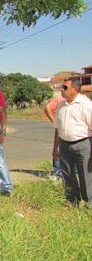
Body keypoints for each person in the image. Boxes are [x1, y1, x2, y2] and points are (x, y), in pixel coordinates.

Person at [52, 77, 92, 208]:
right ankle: (72, 201)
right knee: (67, 175)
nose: (62, 90)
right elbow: (58, 128)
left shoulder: (85, 104)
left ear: (75, 89)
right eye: (62, 88)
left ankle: (89, 203)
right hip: (64, 145)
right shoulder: (62, 105)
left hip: (83, 144)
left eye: (65, 88)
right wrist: (55, 148)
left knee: (86, 175)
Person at [44, 94, 64, 179]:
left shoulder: (81, 98)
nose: (63, 90)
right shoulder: (60, 98)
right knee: (57, 148)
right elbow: (47, 108)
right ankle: (57, 172)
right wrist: (55, 122)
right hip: (61, 128)